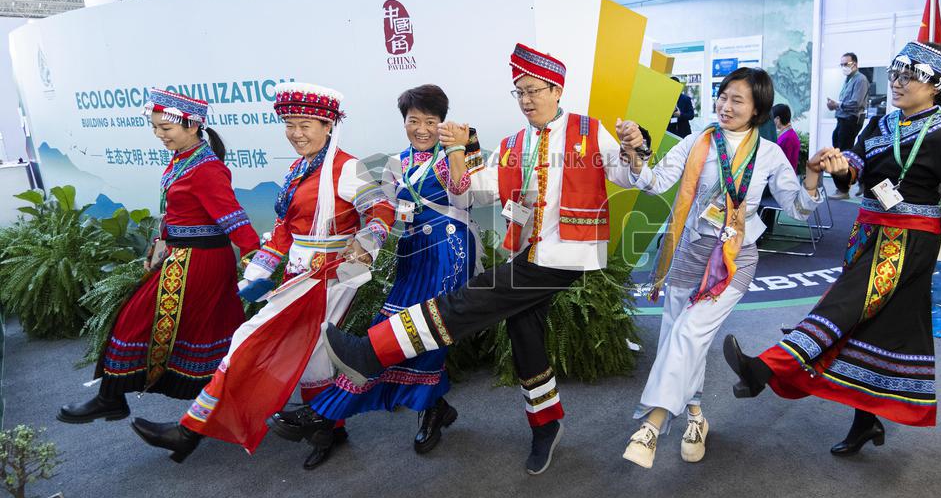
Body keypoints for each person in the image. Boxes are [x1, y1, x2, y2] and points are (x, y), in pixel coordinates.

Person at [318, 43, 647, 475]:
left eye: (533, 90)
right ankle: (546, 424)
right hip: (531, 251)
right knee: (524, 331)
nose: (526, 100)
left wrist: (634, 148)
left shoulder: (590, 132)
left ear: (556, 89)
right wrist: (457, 151)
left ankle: (370, 351)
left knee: (467, 301)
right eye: (519, 93)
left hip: (567, 254)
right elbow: (474, 191)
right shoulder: (513, 145)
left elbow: (631, 176)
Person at [724, 42, 941, 455]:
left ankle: (763, 370)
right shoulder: (883, 124)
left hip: (905, 242)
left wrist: (935, 230)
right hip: (866, 233)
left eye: (909, 77)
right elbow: (856, 167)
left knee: (843, 306)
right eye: (896, 74)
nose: (897, 83)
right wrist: (837, 166)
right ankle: (865, 423)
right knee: (872, 328)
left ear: (936, 87)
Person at [130, 82, 395, 462]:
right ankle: (327, 431)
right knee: (316, 358)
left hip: (329, 276)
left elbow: (380, 209)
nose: (296, 134)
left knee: (248, 341)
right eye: (289, 124)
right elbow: (285, 228)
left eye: (305, 125)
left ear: (328, 126)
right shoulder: (298, 168)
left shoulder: (345, 167)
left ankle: (189, 431)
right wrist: (258, 271)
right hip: (299, 273)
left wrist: (366, 243)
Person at [620, 68, 836, 469]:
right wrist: (635, 153)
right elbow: (652, 182)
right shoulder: (695, 141)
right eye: (723, 96)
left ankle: (652, 423)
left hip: (737, 258)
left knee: (688, 332)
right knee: (680, 339)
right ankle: (696, 418)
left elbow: (799, 209)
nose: (725, 105)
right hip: (688, 252)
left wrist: (812, 176)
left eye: (738, 100)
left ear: (758, 109)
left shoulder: (769, 153)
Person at [269, 84, 480, 470]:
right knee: (393, 332)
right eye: (413, 120)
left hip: (449, 254)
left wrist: (458, 151)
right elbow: (382, 212)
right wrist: (363, 247)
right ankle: (436, 407)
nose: (421, 129)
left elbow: (466, 198)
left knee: (424, 335)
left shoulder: (461, 150)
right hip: (412, 254)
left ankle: (327, 412)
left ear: (442, 121)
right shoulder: (396, 162)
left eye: (430, 121)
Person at [58, 89, 259, 424]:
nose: (159, 135)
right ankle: (221, 407)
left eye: (165, 129)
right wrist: (159, 243)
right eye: (155, 128)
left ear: (193, 126)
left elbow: (232, 217)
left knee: (136, 320)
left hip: (200, 262)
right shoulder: (183, 160)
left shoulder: (206, 168)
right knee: (205, 331)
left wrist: (256, 258)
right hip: (184, 257)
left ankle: (114, 399)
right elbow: (176, 212)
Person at [827, 52, 869, 199]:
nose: (844, 67)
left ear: (855, 64)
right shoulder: (849, 79)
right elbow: (846, 103)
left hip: (851, 120)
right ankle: (860, 182)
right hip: (842, 120)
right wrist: (835, 106)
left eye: (846, 64)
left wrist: (837, 105)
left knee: (843, 156)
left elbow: (855, 103)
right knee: (839, 153)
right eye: (842, 64)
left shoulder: (860, 79)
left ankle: (843, 189)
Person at [772, 103, 800, 170]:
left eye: (773, 119)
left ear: (778, 119)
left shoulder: (787, 138)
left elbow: (782, 163)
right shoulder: (790, 134)